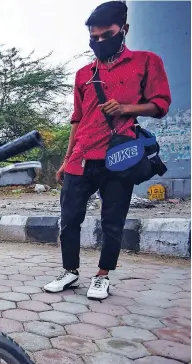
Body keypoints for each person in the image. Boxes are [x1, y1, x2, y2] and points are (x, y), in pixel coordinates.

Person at [45, 1, 171, 300]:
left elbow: (161, 105)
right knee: (69, 219)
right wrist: (65, 160)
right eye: (94, 38)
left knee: (112, 222)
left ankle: (102, 276)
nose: (99, 42)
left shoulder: (146, 61)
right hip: (81, 157)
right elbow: (76, 118)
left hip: (119, 158)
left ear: (123, 30)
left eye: (107, 35)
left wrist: (126, 108)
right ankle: (70, 272)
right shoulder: (83, 74)